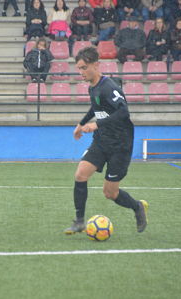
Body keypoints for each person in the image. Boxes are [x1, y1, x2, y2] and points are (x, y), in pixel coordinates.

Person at [64, 46, 148, 235]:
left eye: (84, 68)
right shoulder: (92, 87)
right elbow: (95, 108)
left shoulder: (109, 87)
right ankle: (79, 222)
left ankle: (137, 207)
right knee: (80, 174)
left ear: (96, 65)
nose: (81, 72)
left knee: (110, 193)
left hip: (120, 145)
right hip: (101, 141)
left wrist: (97, 124)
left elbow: (124, 112)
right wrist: (81, 124)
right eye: (79, 68)